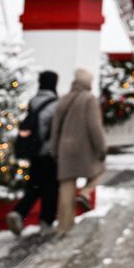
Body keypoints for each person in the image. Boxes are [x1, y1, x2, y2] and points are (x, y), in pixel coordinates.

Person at [49, 67, 107, 234]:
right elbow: (94, 127)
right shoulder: (89, 99)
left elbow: (56, 128)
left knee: (66, 187)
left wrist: (54, 149)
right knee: (99, 170)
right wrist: (101, 148)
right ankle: (86, 192)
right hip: (83, 150)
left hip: (64, 150)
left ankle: (64, 227)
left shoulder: (64, 99)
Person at [7, 70, 59, 236]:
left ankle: (19, 212)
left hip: (33, 152)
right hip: (48, 154)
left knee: (34, 186)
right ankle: (46, 222)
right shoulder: (55, 105)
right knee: (50, 188)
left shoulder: (33, 101)